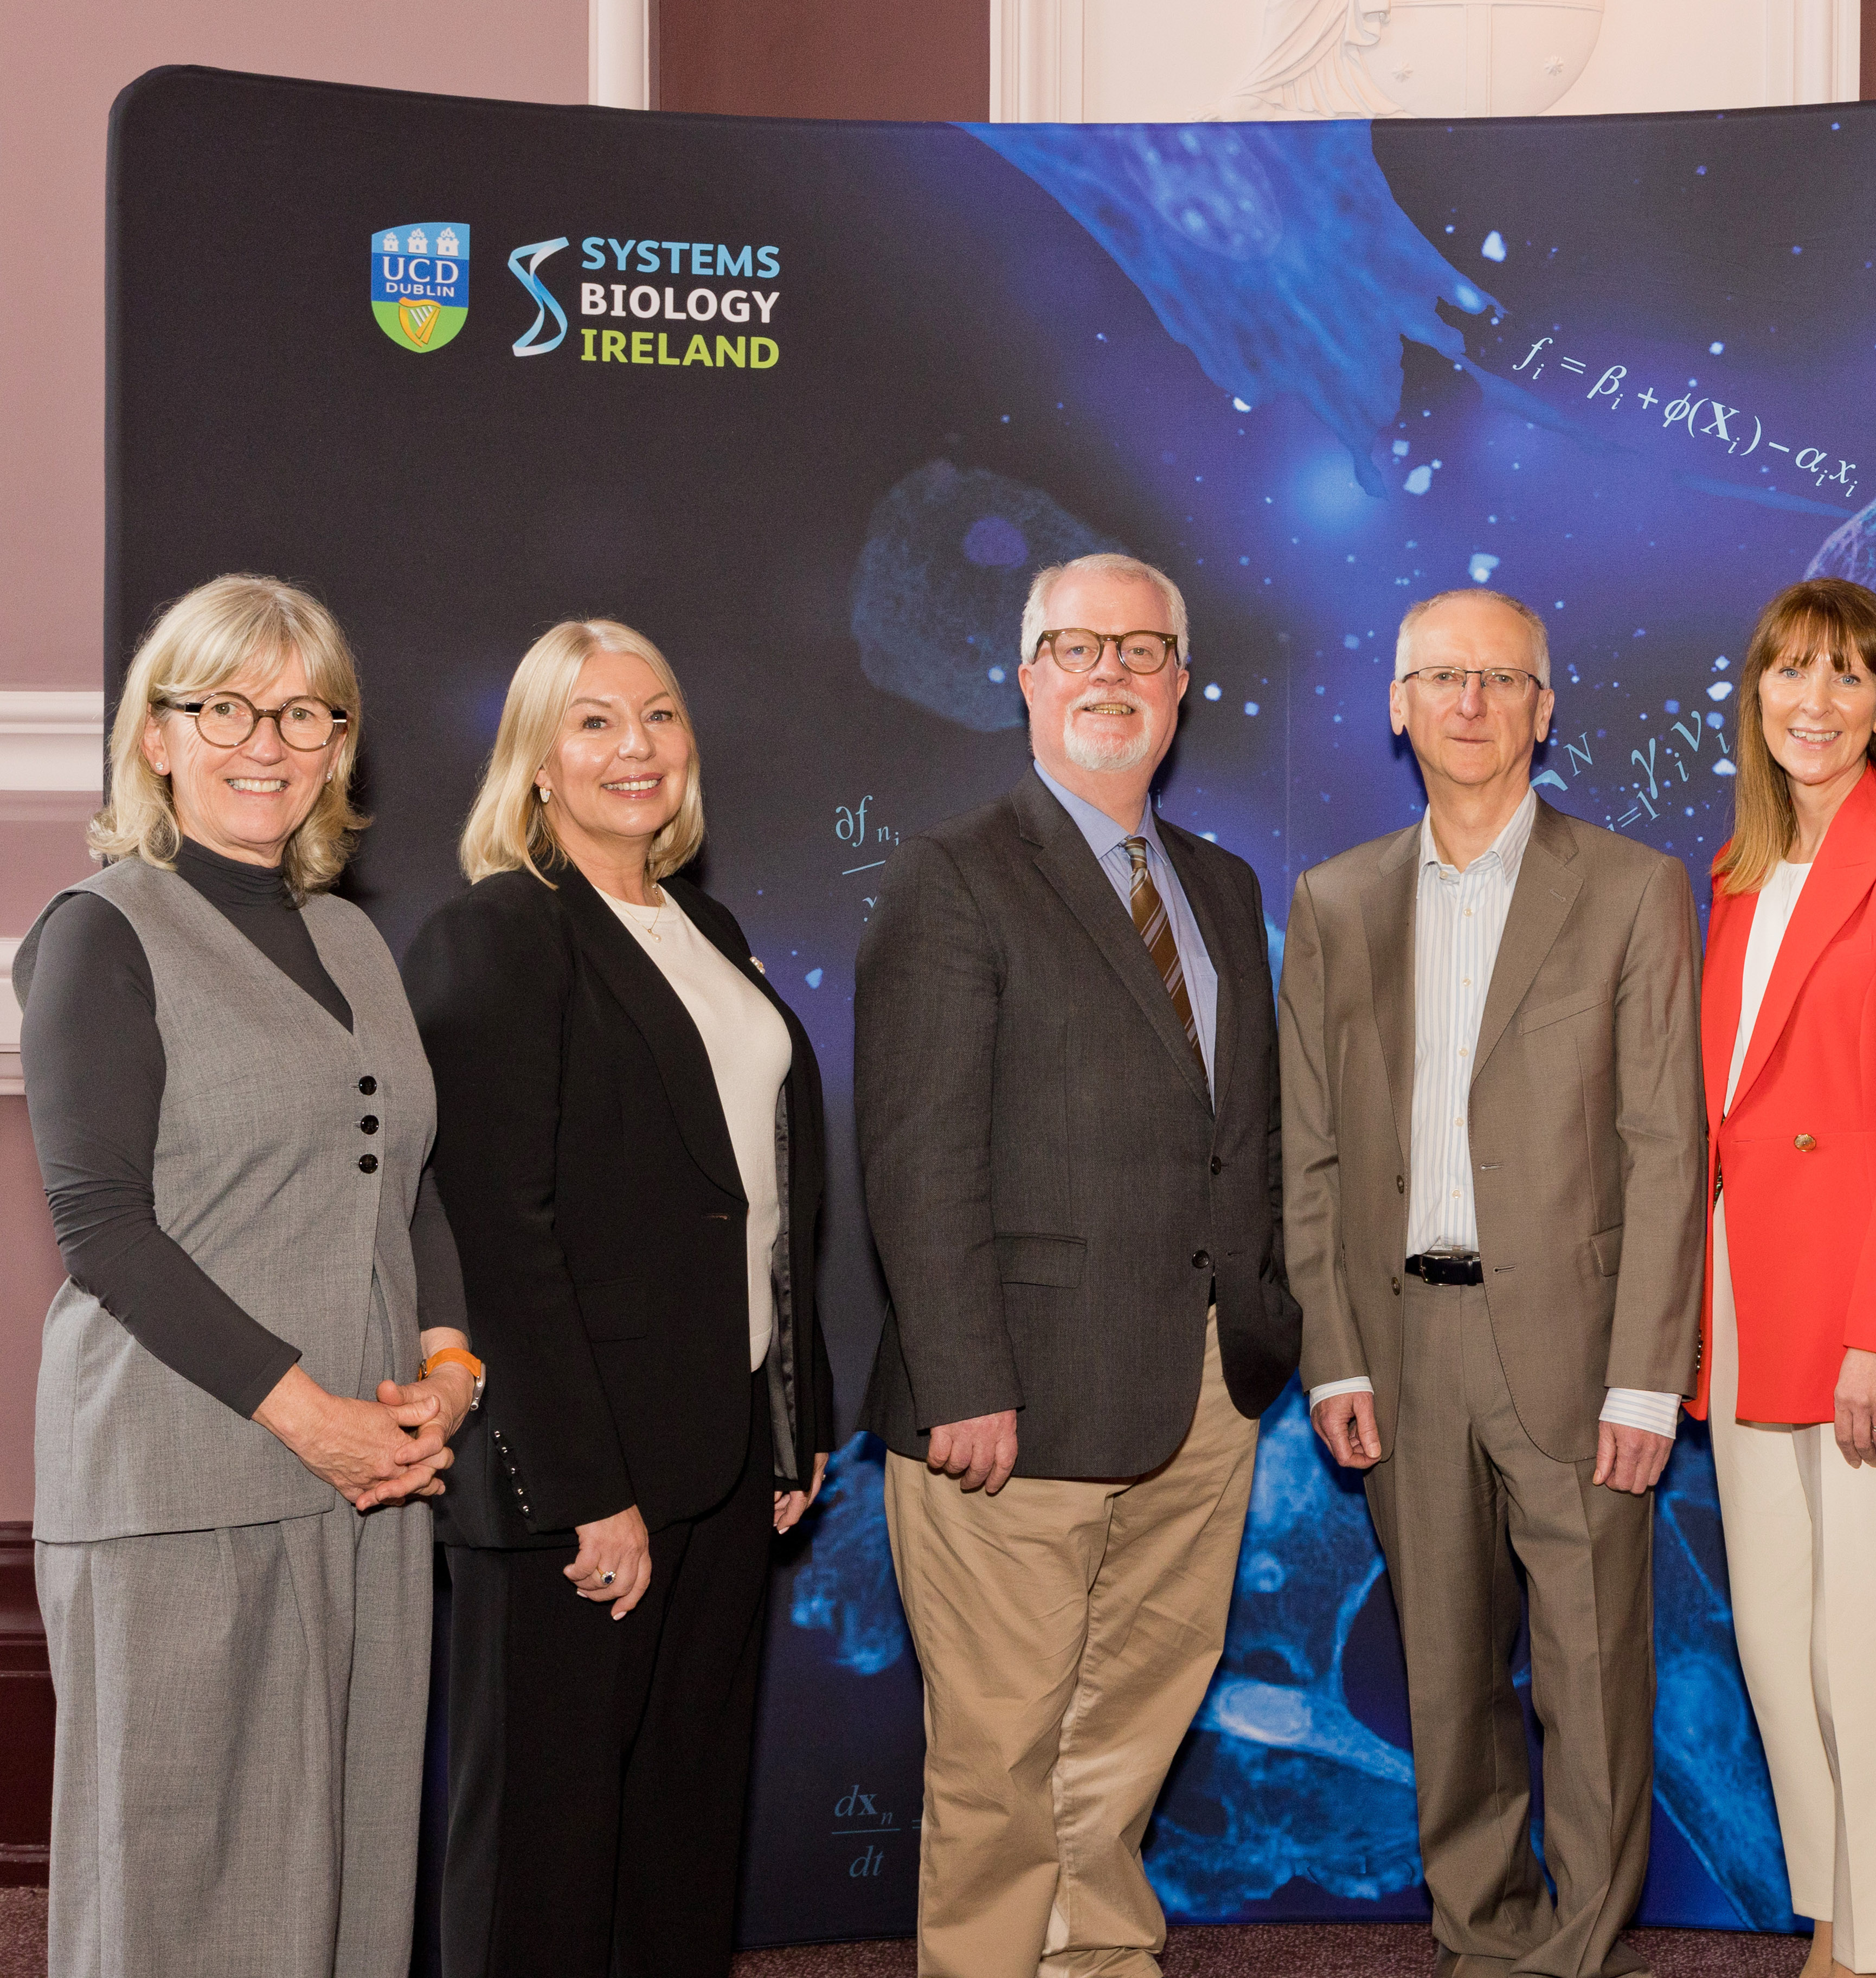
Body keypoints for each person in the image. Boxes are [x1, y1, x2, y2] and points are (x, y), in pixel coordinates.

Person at [14, 575, 479, 1978]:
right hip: (184, 1482)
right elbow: (102, 1227)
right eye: (225, 707)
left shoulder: (351, 941)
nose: (265, 743)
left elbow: (409, 1180)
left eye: (303, 713)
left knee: (345, 1880)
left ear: (339, 747)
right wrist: (312, 1418)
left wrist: (450, 1366)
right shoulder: (99, 932)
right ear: (156, 737)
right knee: (187, 1898)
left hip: (369, 1482)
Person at [856, 552, 1301, 1977]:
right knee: (1000, 1757)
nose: (1111, 671)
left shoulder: (1222, 887)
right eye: (1077, 647)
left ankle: (1097, 1962)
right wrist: (959, 1381)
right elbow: (918, 1156)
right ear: (1028, 676)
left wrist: (1263, 1331)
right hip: (1014, 1399)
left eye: (1142, 648)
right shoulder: (953, 876)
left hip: (1205, 1390)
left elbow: (1246, 1137)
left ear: (1183, 684)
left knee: (1128, 1727)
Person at [1280, 587, 1704, 1978]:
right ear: (1397, 706)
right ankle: (1480, 1937)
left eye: (1502, 678)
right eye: (1442, 677)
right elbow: (1310, 1150)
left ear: (1545, 707)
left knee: (1592, 1678)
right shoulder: (1336, 901)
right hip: (1402, 1348)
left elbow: (1667, 1145)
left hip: (1579, 1351)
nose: (1470, 702)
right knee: (1448, 1678)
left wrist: (1648, 1376)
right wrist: (1335, 1353)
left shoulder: (1632, 887)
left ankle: (1574, 1951)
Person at [403, 619, 835, 1977]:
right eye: (592, 721)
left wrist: (791, 1417)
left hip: (722, 1455)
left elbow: (763, 1194)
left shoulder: (705, 927)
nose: (634, 746)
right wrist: (586, 1490)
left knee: (680, 1833)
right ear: (536, 761)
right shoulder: (495, 935)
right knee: (542, 1855)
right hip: (578, 1478)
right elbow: (497, 1236)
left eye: (658, 715)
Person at [1691, 577, 1876, 1978]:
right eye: (1788, 673)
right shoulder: (1739, 873)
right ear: (1755, 695)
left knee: (1874, 1653)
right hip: (1751, 1296)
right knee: (1777, 1635)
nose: (1812, 702)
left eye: (1845, 676)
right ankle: (1831, 1922)